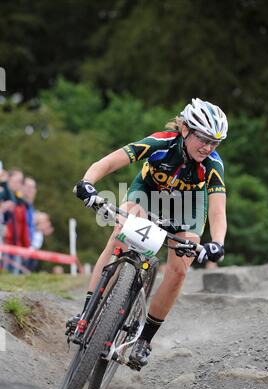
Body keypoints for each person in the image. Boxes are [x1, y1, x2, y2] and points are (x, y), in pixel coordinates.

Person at [73, 98, 228, 368]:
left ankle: (144, 339)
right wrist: (87, 183)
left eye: (215, 143)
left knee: (180, 269)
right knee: (120, 233)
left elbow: (217, 210)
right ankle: (86, 313)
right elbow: (109, 162)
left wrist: (217, 242)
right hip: (148, 194)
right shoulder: (160, 143)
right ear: (185, 130)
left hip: (188, 209)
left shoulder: (212, 164)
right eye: (203, 138)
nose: (208, 147)